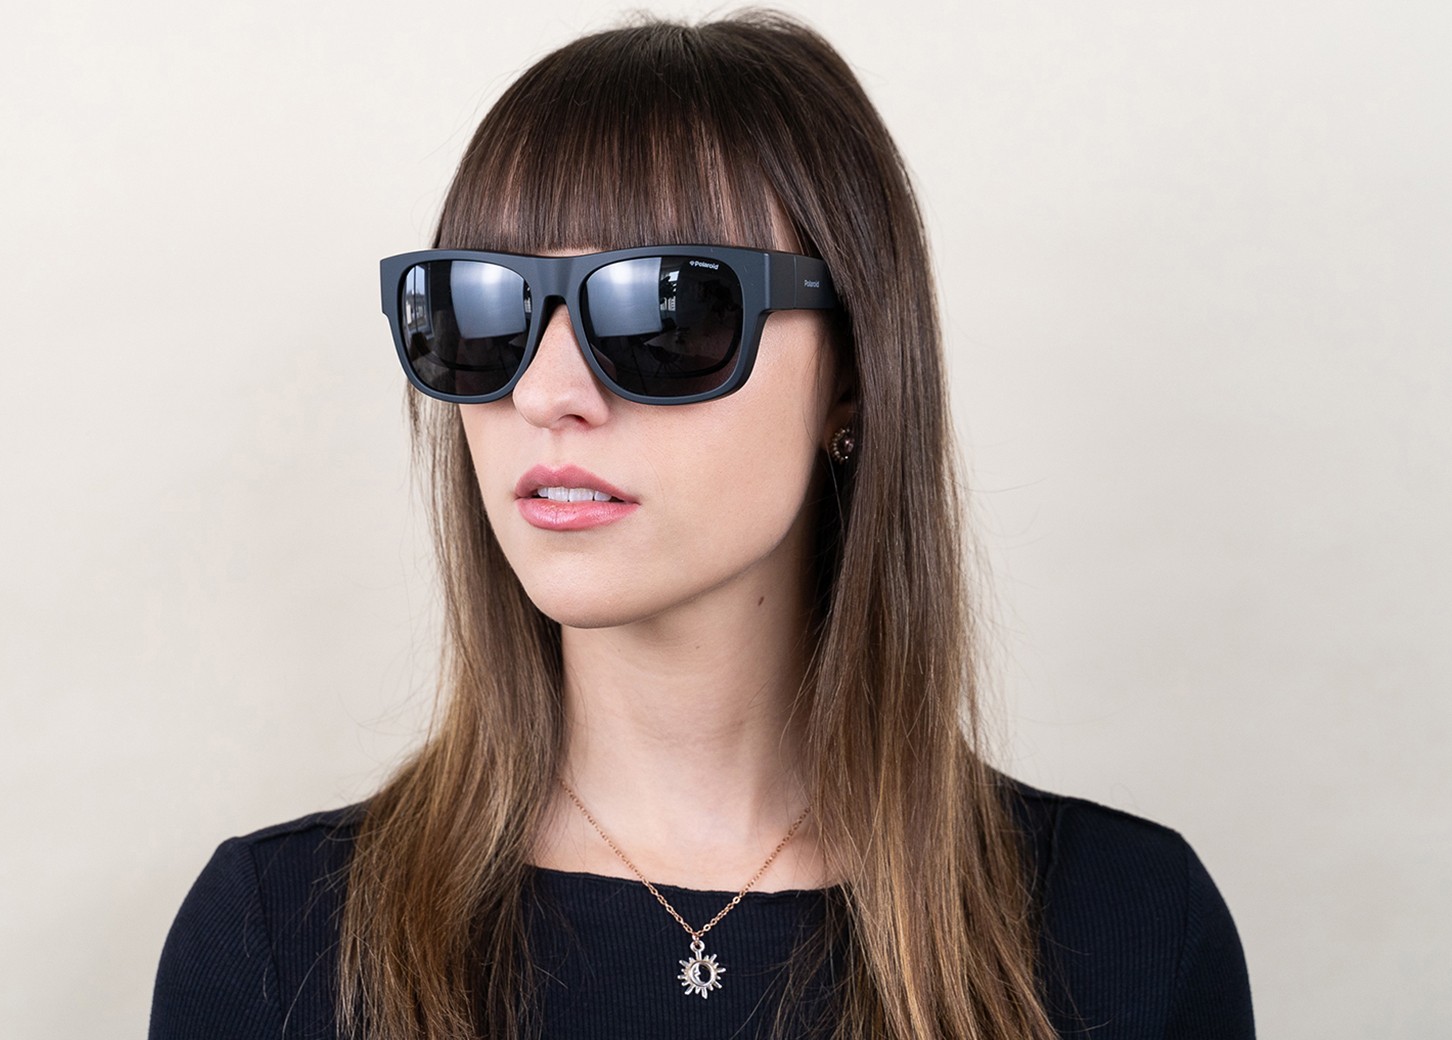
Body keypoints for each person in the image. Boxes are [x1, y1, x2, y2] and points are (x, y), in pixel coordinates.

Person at [150, 11, 1254, 1039]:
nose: (547, 393)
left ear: (852, 376)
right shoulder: (275, 945)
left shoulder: (1130, 934)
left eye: (663, 311)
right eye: (481, 312)